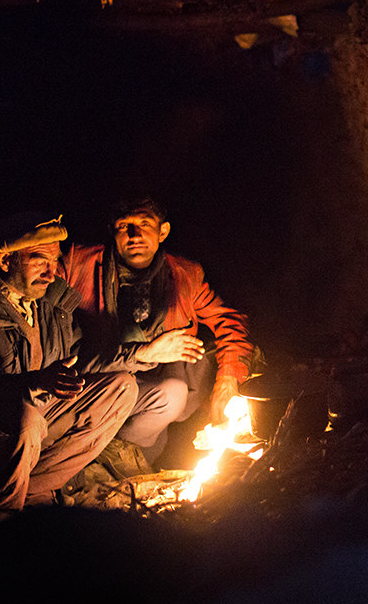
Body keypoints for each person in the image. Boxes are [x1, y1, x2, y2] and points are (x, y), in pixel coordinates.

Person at [0, 213, 194, 525]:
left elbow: (81, 357)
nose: (50, 272)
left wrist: (143, 352)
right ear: (6, 261)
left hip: (34, 425)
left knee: (122, 387)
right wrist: (31, 384)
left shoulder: (48, 304)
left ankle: (32, 492)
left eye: (54, 261)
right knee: (26, 415)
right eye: (39, 260)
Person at [62, 197, 255, 469]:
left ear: (162, 231)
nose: (135, 235)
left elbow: (229, 321)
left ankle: (130, 463)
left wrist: (228, 381)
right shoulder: (77, 264)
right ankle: (109, 458)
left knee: (205, 361)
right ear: (112, 231)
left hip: (155, 380)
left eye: (145, 224)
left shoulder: (184, 274)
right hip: (99, 377)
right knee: (170, 398)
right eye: (124, 226)